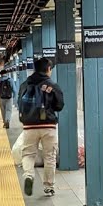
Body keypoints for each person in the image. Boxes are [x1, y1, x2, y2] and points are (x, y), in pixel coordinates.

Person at [18, 58, 65, 197]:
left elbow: (19, 101)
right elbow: (60, 105)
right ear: (48, 69)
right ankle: (49, 187)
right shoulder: (52, 85)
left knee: (28, 154)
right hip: (48, 125)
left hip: (29, 126)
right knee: (49, 156)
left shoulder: (25, 84)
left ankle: (28, 175)